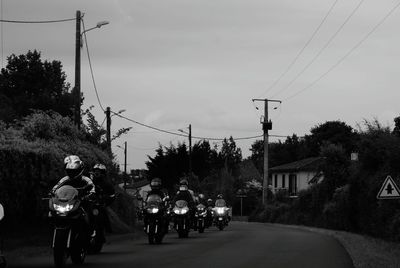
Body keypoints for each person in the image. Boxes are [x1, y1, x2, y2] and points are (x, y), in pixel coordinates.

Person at [52, 155, 95, 234]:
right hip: (70, 202)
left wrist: (89, 194)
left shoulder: (86, 179)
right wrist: (52, 193)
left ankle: (91, 232)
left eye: (74, 171)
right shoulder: (65, 179)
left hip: (82, 201)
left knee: (89, 213)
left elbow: (92, 188)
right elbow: (55, 187)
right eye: (69, 171)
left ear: (80, 170)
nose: (71, 173)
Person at [90, 164, 116, 233]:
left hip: (99, 204)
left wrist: (105, 201)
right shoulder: (89, 181)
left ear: (103, 173)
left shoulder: (107, 184)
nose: (97, 173)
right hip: (89, 202)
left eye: (99, 171)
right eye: (95, 171)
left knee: (103, 213)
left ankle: (106, 230)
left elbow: (112, 195)